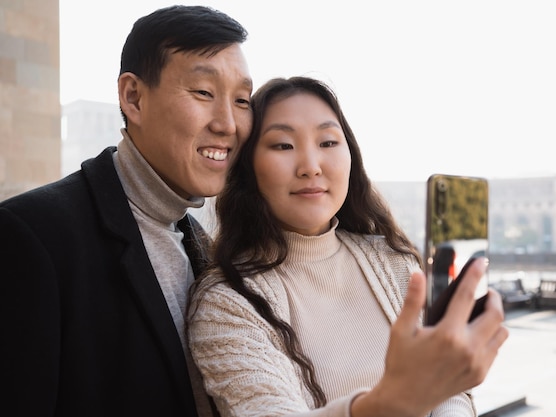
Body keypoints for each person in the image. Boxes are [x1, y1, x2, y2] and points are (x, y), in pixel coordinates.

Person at [187, 76, 509, 417]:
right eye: (283, 145)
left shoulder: (394, 262)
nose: (311, 166)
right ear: (248, 168)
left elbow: (451, 392)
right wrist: (396, 400)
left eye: (327, 143)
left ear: (350, 155)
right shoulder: (227, 303)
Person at [0, 5, 252, 417]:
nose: (228, 123)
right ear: (133, 97)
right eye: (204, 93)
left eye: (242, 100)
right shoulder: (32, 237)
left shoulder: (203, 246)